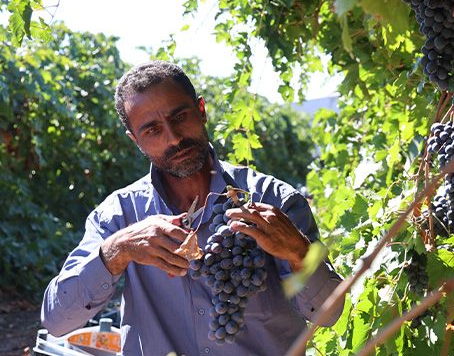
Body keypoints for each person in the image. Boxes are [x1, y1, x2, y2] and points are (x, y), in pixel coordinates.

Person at [41, 61, 344, 355]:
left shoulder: (273, 199)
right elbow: (57, 320)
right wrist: (117, 251)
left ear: (201, 111)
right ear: (136, 141)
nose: (173, 138)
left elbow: (330, 314)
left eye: (180, 117)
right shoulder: (119, 215)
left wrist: (298, 252)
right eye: (152, 130)